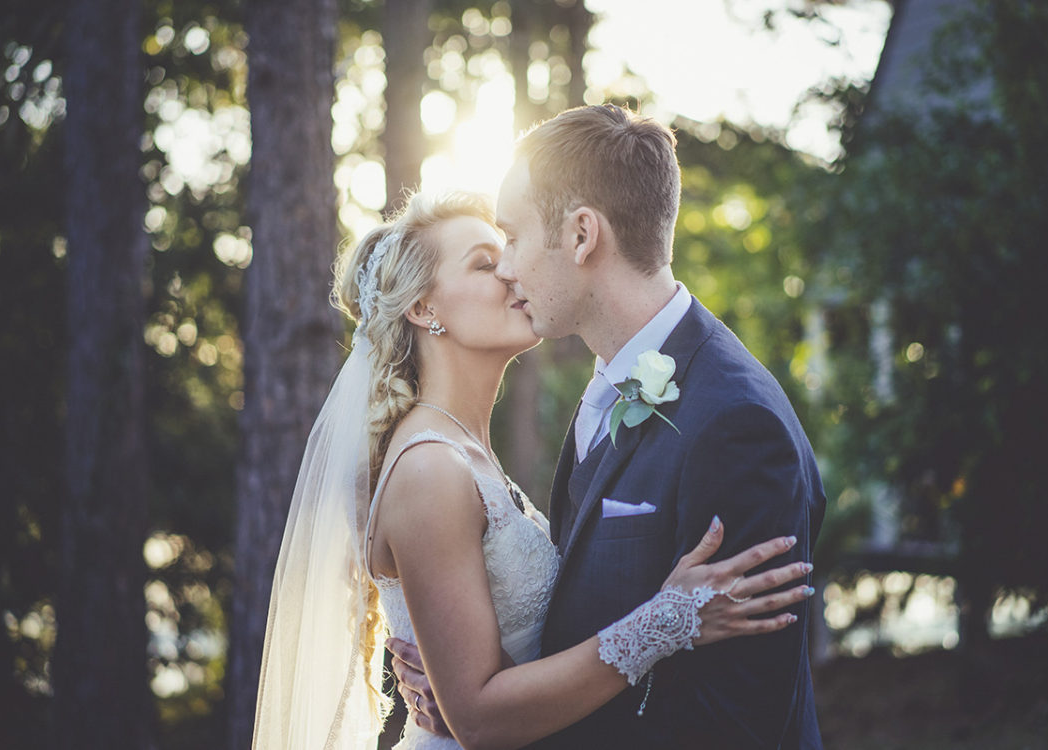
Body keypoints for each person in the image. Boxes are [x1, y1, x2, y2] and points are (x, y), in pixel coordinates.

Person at [251, 191, 815, 750]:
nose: (512, 273)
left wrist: (460, 683)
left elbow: (493, 674)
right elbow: (477, 718)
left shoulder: (468, 454)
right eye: (483, 263)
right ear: (424, 309)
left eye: (509, 253)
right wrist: (666, 622)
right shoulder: (429, 469)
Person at [390, 105, 827, 748]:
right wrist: (484, 693)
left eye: (512, 236)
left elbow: (734, 720)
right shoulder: (612, 382)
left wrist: (491, 717)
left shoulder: (735, 423)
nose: (507, 268)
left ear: (581, 236)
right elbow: (585, 609)